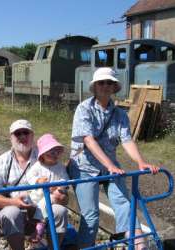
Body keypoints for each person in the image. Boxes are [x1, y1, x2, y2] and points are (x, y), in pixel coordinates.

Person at [68, 67, 159, 249]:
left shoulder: (119, 114)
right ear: (94, 87)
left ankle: (138, 245)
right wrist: (110, 165)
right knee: (91, 216)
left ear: (114, 87)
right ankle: (85, 246)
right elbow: (89, 140)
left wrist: (141, 162)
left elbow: (126, 141)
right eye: (101, 82)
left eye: (109, 82)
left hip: (109, 166)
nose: (105, 86)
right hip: (84, 166)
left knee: (125, 205)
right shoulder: (84, 109)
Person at [0, 119, 68, 250]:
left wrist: (62, 195)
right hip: (12, 209)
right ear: (11, 138)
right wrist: (14, 202)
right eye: (18, 133)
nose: (22, 136)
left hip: (40, 208)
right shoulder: (0, 162)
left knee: (60, 210)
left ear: (32, 136)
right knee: (12, 212)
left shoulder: (45, 156)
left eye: (26, 132)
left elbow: (63, 190)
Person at [25, 133, 69, 245]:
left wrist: (58, 187)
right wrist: (38, 181)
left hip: (53, 197)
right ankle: (40, 223)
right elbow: (29, 176)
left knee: (54, 198)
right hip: (37, 197)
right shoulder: (38, 166)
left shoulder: (60, 167)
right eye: (51, 152)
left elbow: (65, 180)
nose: (55, 155)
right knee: (44, 199)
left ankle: (41, 224)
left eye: (57, 152)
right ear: (43, 154)